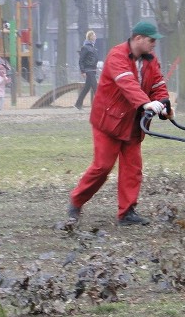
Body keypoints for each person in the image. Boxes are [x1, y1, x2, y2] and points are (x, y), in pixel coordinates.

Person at [67, 21, 173, 227]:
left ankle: (127, 212)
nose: (154, 45)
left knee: (133, 168)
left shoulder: (151, 60)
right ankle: (76, 201)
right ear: (138, 38)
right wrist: (146, 103)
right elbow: (127, 83)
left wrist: (164, 104)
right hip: (109, 121)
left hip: (133, 122)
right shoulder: (117, 56)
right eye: (151, 40)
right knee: (102, 167)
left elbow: (159, 84)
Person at [74, 30, 99, 110]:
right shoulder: (85, 47)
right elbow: (81, 60)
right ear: (90, 37)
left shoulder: (92, 47)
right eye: (94, 35)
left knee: (86, 88)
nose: (95, 37)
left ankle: (78, 104)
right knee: (95, 87)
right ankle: (100, 106)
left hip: (92, 70)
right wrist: (83, 71)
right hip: (88, 70)